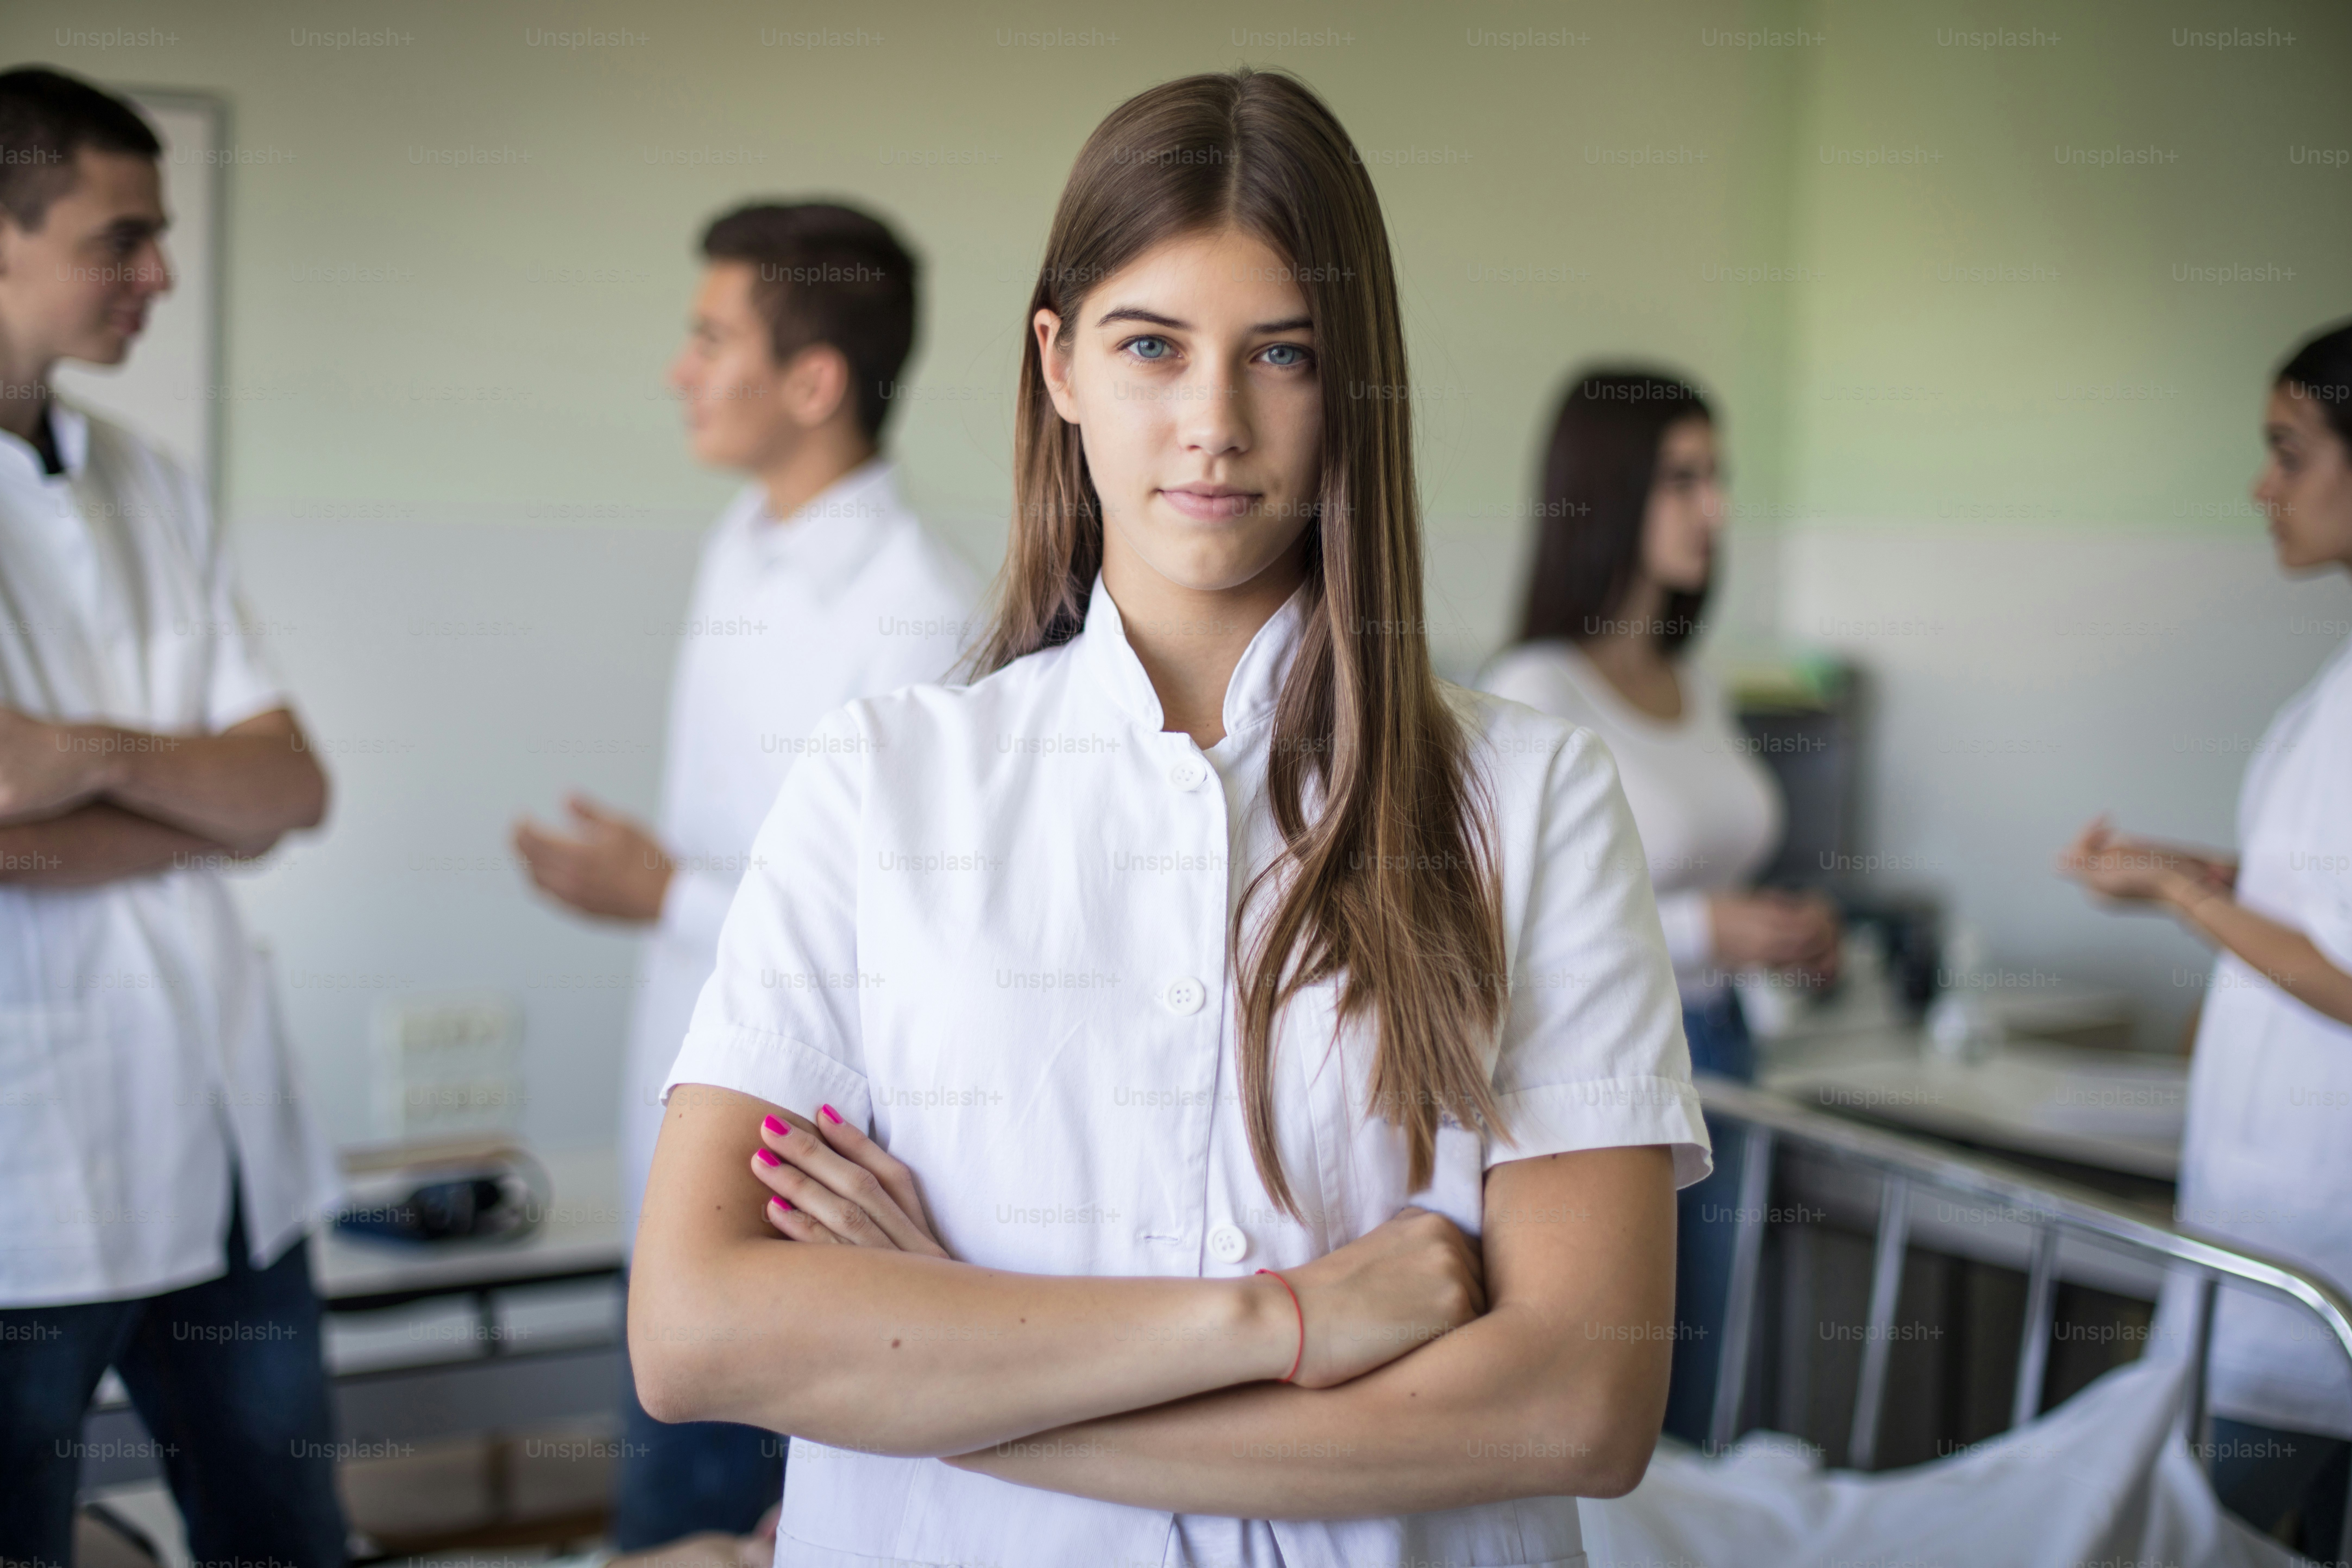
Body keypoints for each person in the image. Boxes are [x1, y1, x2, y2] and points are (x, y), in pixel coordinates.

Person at [630, 68, 1708, 1568]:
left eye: (1283, 353)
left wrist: (938, 1365)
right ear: (1059, 365)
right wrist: (1286, 1321)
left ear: (1356, 389)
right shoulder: (881, 780)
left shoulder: (1528, 797)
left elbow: (1576, 1407)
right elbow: (694, 1332)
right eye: (1152, 347)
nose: (1213, 423)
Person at [511, 201, 974, 1547]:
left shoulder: (920, 609)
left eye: (710, 337)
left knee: (729, 1516)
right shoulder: (745, 543)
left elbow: (901, 940)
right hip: (684, 1121)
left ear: (813, 382)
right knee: (668, 1513)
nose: (681, 368)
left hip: (797, 1185)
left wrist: (661, 895)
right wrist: (655, 892)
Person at [0, 67, 345, 1565]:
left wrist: (67, 755)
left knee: (285, 1540)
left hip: (222, 1161)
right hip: (22, 1197)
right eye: (121, 237)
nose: (161, 274)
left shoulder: (151, 482)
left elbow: (288, 789)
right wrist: (188, 793)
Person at [1477, 368, 1837, 1446]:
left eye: (1715, 477)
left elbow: (1700, 858)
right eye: (1683, 479)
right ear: (1607, 491)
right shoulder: (1534, 687)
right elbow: (1497, 930)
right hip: (1615, 1064)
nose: (1713, 509)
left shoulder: (1702, 685)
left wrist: (1773, 931)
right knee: (1632, 1384)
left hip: (1727, 1052)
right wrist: (1699, 931)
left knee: (1711, 1366)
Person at [2059, 319, 2352, 1558]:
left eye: (2286, 453)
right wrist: (2192, 871)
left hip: (2315, 1242)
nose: (2260, 486)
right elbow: (2313, 889)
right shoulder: (2325, 691)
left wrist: (2185, 907)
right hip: (2267, 1224)